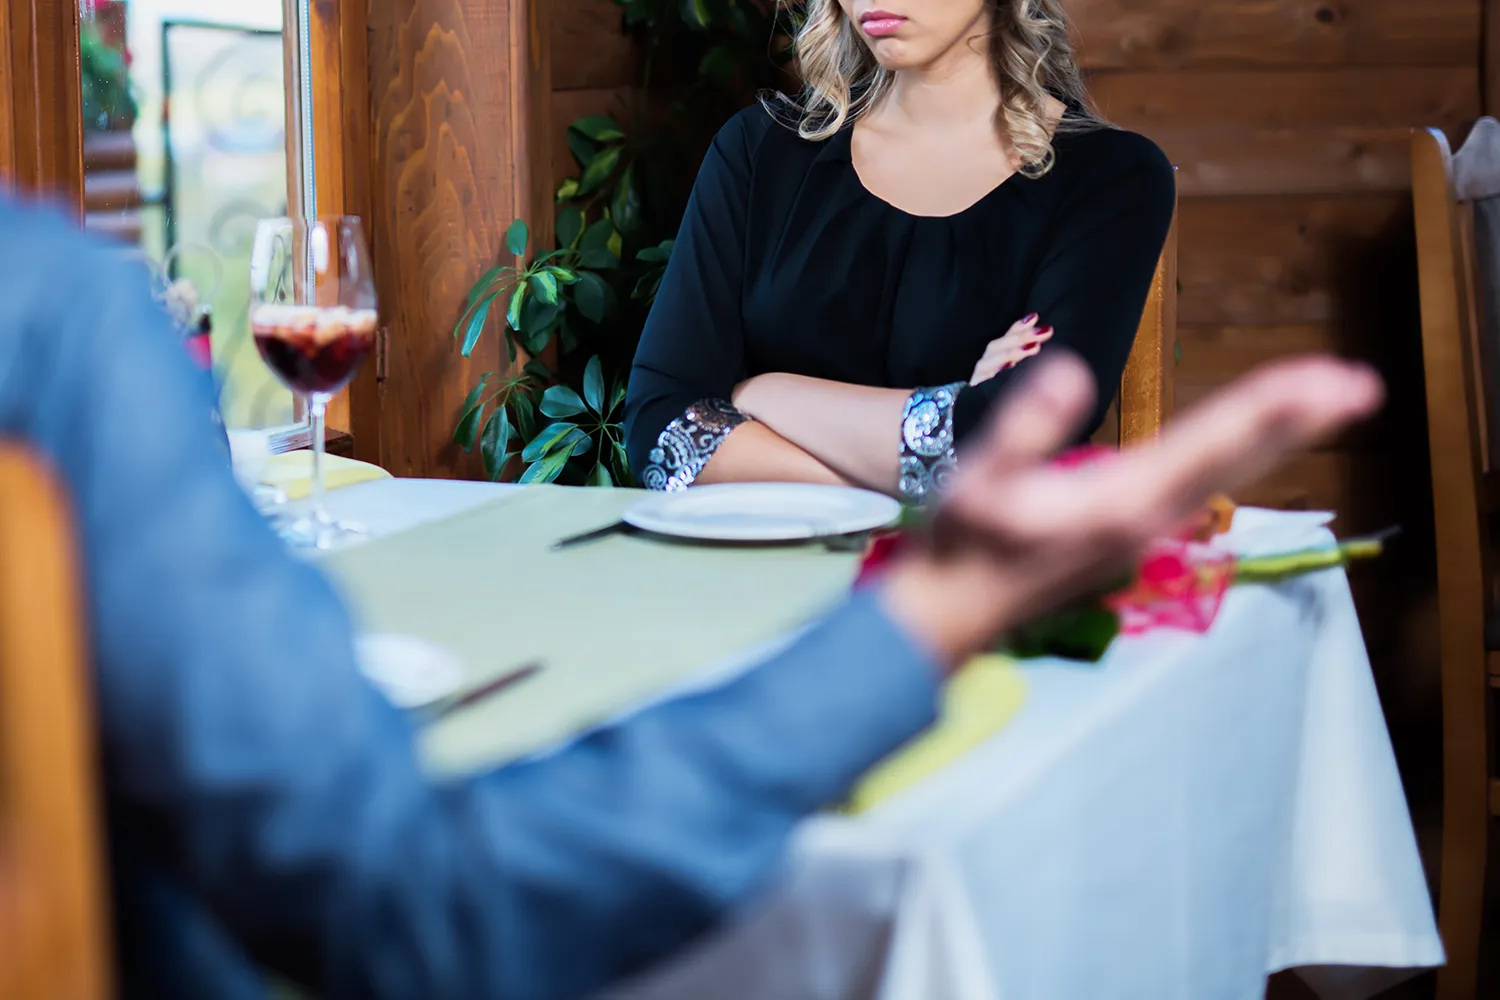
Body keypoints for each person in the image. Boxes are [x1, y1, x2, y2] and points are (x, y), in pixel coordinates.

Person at [0, 195, 1380, 999]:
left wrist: (778, 400)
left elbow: (1013, 421)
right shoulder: (51, 315)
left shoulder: (1101, 178)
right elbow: (667, 428)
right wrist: (925, 595)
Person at [624, 0, 1174, 502]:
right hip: (752, 584)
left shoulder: (1110, 177)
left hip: (968, 600)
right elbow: (660, 428)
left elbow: (1012, 440)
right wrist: (921, 476)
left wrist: (763, 393)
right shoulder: (759, 150)